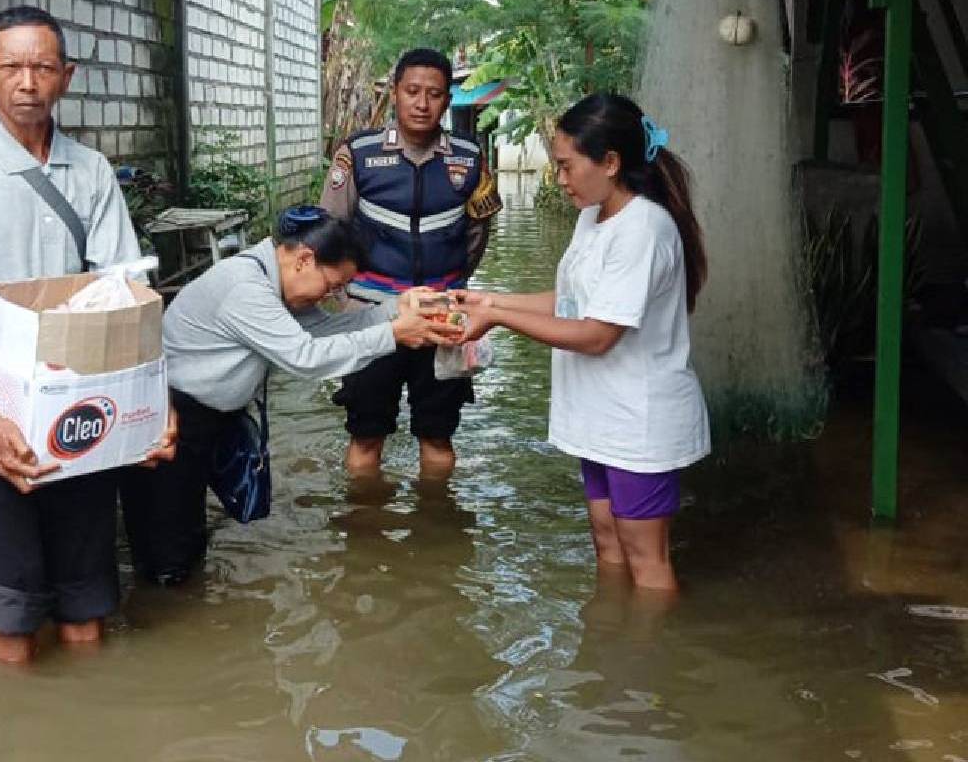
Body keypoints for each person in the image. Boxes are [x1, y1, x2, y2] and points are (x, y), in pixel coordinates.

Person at [0, 6, 175, 663]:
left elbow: (123, 298)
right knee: (13, 608)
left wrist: (149, 412)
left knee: (87, 601)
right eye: (11, 67)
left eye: (43, 67)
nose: (27, 81)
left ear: (67, 76)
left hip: (77, 396)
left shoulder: (90, 172)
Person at [119, 206, 461, 585]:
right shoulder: (246, 288)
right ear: (304, 259)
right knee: (167, 547)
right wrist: (394, 333)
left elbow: (326, 331)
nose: (333, 296)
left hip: (204, 418)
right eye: (332, 286)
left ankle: (187, 610)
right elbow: (306, 356)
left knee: (188, 534)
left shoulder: (273, 282)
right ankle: (159, 620)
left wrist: (394, 309)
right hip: (171, 419)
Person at [455, 94, 710, 591]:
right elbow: (572, 301)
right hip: (599, 418)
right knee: (607, 541)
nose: (561, 179)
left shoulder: (644, 229)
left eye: (567, 166)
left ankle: (649, 659)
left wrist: (498, 317)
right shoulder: (593, 218)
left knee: (647, 560)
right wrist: (487, 300)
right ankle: (608, 651)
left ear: (611, 162)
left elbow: (596, 335)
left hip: (638, 423)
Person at [320, 47, 500, 479]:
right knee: (365, 435)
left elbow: (477, 235)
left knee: (438, 436)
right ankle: (364, 536)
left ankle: (437, 532)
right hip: (370, 318)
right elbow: (330, 230)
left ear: (447, 98)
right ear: (395, 92)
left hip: (442, 319)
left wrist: (451, 289)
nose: (422, 103)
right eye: (413, 91)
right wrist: (345, 302)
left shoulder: (469, 159)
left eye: (434, 93)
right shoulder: (358, 155)